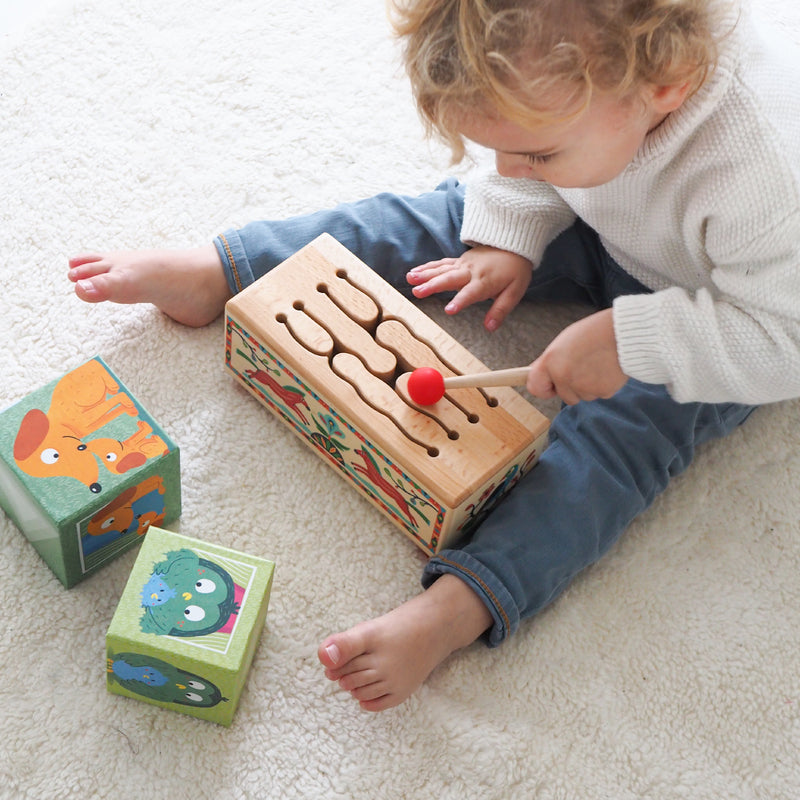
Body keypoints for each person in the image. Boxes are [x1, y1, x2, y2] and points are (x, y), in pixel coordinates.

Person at [68, 0, 800, 711]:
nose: (511, 163)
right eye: (501, 146)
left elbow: (787, 340)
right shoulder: (580, 103)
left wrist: (635, 341)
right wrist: (510, 228)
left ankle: (461, 603)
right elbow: (521, 165)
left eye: (538, 151)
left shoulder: (768, 170)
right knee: (430, 228)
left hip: (726, 313)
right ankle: (226, 270)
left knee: (614, 447)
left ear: (665, 87)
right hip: (597, 216)